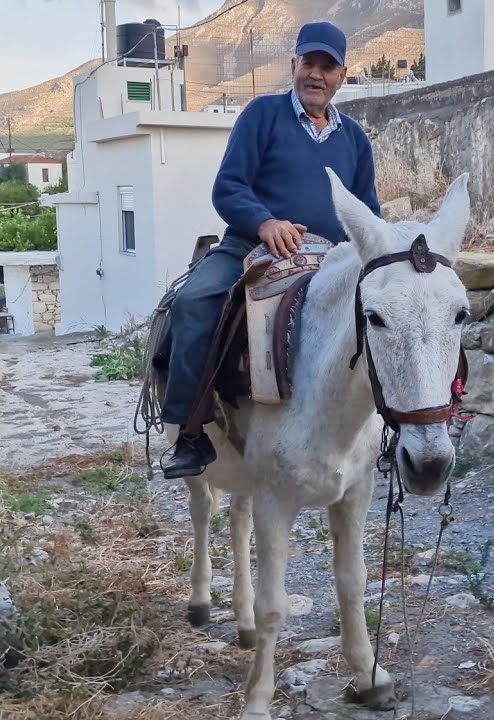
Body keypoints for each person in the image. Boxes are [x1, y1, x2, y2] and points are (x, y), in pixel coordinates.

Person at [158, 21, 382, 479]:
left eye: (327, 67)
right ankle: (191, 432)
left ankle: (397, 427)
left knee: (391, 312)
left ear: (342, 75)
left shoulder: (355, 139)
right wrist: (266, 223)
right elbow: (229, 186)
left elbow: (366, 211)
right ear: (294, 65)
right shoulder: (262, 114)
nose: (316, 74)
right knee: (193, 302)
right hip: (251, 247)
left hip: (331, 258)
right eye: (308, 63)